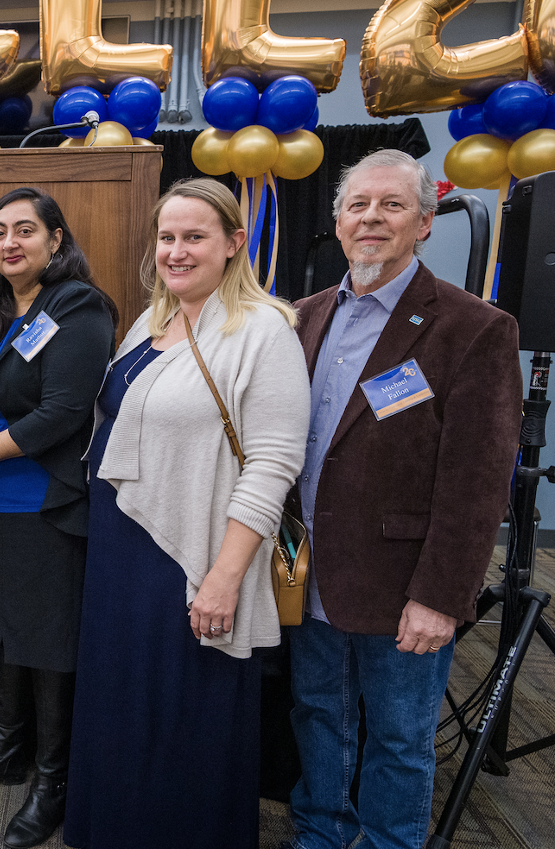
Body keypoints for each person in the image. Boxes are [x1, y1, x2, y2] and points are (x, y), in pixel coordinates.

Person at [283, 150, 521, 849]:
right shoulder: (299, 318)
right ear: (337, 222)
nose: (372, 219)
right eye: (357, 205)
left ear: (423, 223)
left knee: (398, 738)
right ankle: (321, 836)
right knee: (317, 716)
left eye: (392, 205)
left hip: (403, 583)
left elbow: (478, 481)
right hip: (304, 568)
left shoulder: (473, 327)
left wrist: (442, 595)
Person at [62, 178, 310, 849]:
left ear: (233, 243)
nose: (175, 251)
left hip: (191, 557)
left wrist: (224, 578)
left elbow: (272, 464)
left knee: (184, 715)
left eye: (194, 236)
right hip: (120, 549)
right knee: (122, 704)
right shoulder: (152, 321)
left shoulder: (264, 331)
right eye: (167, 236)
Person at [0, 187, 116, 848]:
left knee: (47, 646)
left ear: (56, 239)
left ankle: (51, 781)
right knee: (0, 635)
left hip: (44, 507)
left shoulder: (78, 306)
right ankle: (1, 750)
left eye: (25, 230)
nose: (9, 242)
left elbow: (62, 412)